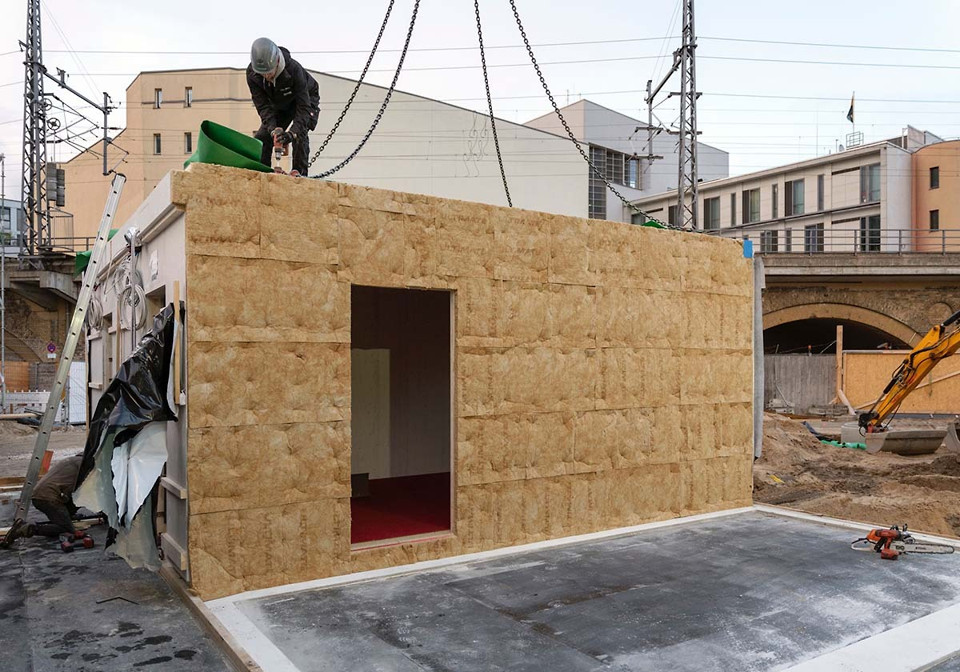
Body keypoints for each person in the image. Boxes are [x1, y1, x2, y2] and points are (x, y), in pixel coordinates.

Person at [247, 38, 320, 176]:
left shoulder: (293, 70)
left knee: (300, 133)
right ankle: (262, 173)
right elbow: (263, 106)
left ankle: (299, 173)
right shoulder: (252, 75)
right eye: (263, 74)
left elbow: (303, 107)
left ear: (277, 62)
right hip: (280, 103)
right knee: (263, 137)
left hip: (306, 99)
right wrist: (273, 130)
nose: (266, 76)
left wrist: (291, 134)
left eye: (269, 72)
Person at [6, 455, 83, 542]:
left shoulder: (73, 460)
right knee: (66, 529)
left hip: (41, 495)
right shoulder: (82, 465)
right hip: (48, 498)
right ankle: (26, 528)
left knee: (80, 496)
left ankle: (66, 517)